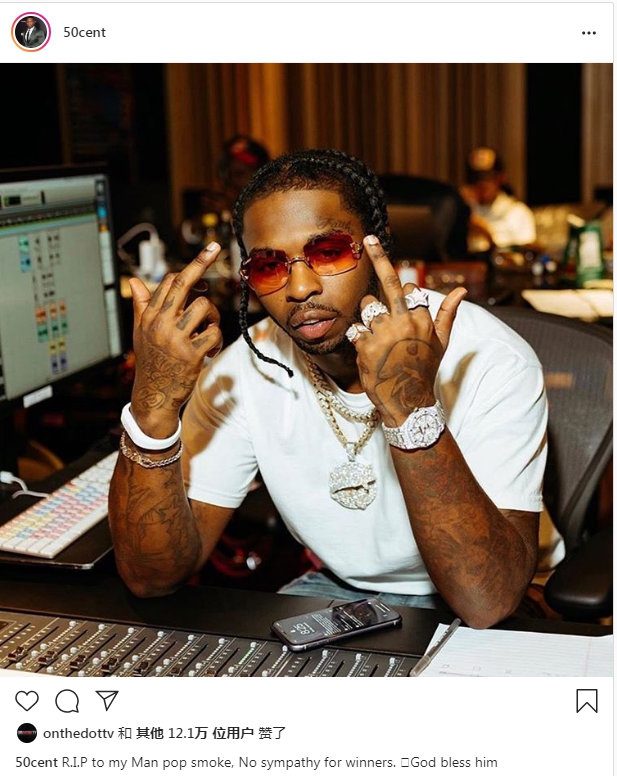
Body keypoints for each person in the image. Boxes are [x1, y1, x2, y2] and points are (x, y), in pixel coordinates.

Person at [108, 149, 547, 630]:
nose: (299, 287)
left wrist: (410, 409)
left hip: (484, 599)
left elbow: (487, 601)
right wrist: (152, 406)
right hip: (341, 590)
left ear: (379, 248)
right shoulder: (244, 370)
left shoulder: (488, 357)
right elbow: (152, 579)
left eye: (328, 252)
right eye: (269, 265)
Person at [460, 147, 536, 251]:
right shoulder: (463, 210)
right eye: (475, 178)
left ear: (501, 178)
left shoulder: (517, 213)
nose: (481, 184)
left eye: (487, 177)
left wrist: (488, 235)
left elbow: (527, 254)